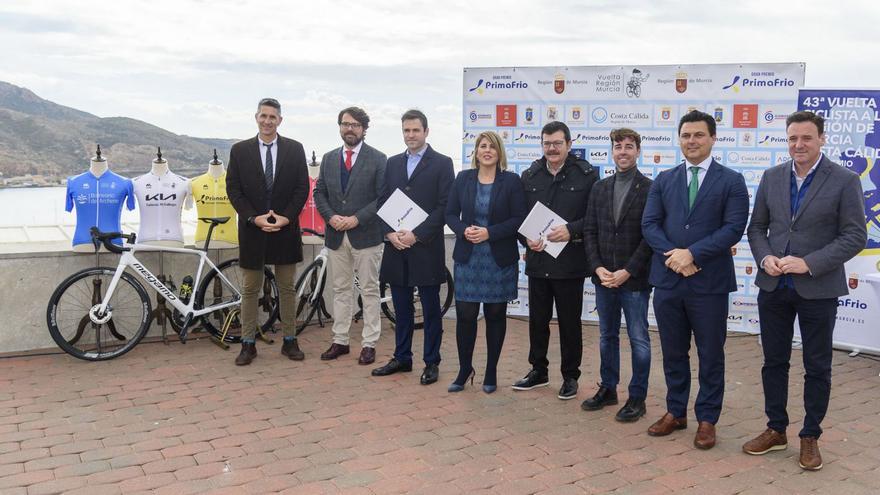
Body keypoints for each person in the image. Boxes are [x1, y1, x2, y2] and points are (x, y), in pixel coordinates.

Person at [743, 111, 866, 470]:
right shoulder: (771, 176)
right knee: (774, 362)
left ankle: (810, 435)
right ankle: (775, 429)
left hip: (818, 287)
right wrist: (765, 257)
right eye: (793, 138)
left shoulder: (844, 180)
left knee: (817, 366)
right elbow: (757, 228)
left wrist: (808, 262)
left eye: (806, 138)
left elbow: (855, 235)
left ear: (822, 139)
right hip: (774, 285)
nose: (799, 145)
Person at [641, 110, 749, 449]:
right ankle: (676, 412)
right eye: (686, 135)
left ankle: (706, 419)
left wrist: (693, 254)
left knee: (710, 353)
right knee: (673, 351)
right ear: (679, 139)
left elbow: (733, 228)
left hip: (709, 283)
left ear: (713, 138)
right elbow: (649, 225)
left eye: (699, 135)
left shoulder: (731, 181)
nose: (692, 141)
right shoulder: (664, 179)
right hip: (669, 281)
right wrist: (675, 256)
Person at [513, 121, 598, 400]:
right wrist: (525, 238)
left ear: (569, 145)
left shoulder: (586, 176)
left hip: (569, 263)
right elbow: (519, 219)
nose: (552, 148)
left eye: (557, 143)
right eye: (547, 143)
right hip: (538, 262)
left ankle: (570, 376)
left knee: (569, 323)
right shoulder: (530, 175)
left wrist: (571, 230)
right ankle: (538, 371)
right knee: (537, 321)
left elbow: (595, 218)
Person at [372, 110, 455, 385]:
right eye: (406, 130)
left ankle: (431, 362)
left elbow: (445, 207)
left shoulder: (443, 163)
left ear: (426, 131)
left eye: (415, 130)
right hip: (396, 247)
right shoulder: (393, 163)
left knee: (431, 310)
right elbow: (382, 202)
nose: (410, 135)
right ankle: (402, 357)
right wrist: (389, 233)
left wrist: (416, 235)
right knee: (401, 308)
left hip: (426, 248)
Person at [226, 97, 309, 366]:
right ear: (256, 117)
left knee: (286, 287)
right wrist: (253, 218)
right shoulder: (239, 151)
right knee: (250, 289)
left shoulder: (295, 149)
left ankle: (289, 341)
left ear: (280, 120)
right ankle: (248, 344)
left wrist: (286, 218)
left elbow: (301, 188)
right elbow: (234, 189)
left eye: (272, 117)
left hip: (285, 228)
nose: (267, 121)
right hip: (253, 230)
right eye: (263, 116)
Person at [445, 131, 526, 393]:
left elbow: (518, 219)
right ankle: (464, 368)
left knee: (494, 315)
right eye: (482, 146)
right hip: (468, 258)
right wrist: (462, 230)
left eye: (492, 146)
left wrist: (489, 232)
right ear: (476, 152)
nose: (487, 150)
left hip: (498, 259)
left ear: (499, 152)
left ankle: (491, 371)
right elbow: (449, 214)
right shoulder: (463, 178)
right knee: (466, 315)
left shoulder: (511, 181)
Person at [581, 128, 653, 421]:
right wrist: (597, 267)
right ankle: (608, 389)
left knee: (638, 338)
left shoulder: (650, 188)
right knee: (607, 335)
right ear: (612, 151)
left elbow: (650, 236)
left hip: (633, 279)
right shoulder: (600, 188)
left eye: (628, 146)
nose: (622, 151)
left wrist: (627, 271)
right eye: (618, 146)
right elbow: (589, 230)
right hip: (603, 278)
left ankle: (637, 397)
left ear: (638, 151)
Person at [313, 107, 387, 366]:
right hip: (335, 235)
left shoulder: (378, 159)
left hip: (366, 235)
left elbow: (382, 198)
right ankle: (340, 340)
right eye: (345, 124)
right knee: (340, 289)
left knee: (369, 289)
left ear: (364, 129)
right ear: (340, 127)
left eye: (355, 125)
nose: (350, 129)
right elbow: (319, 193)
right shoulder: (329, 158)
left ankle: (369, 343)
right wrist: (331, 217)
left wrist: (357, 218)